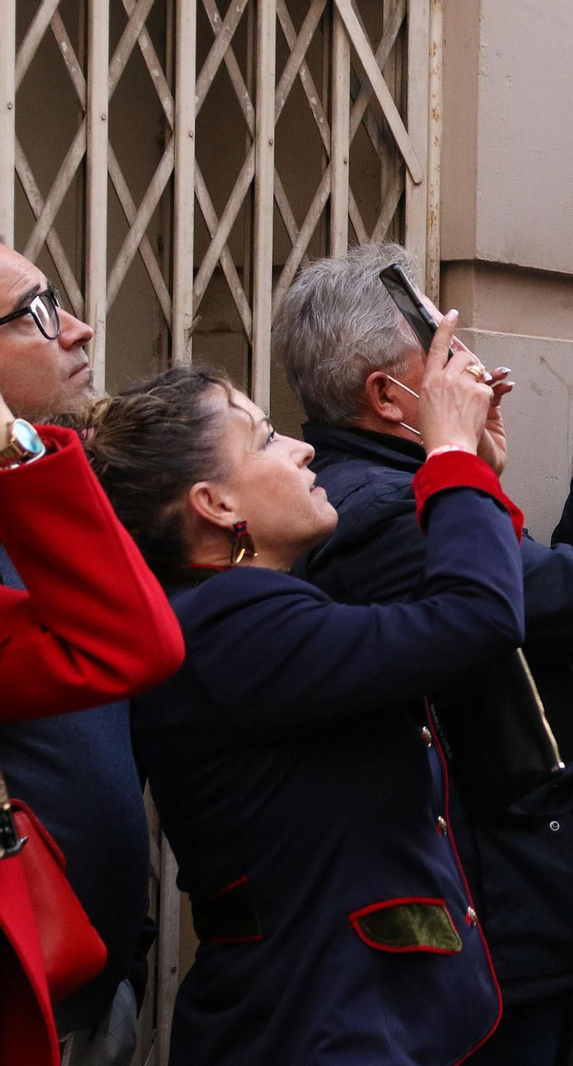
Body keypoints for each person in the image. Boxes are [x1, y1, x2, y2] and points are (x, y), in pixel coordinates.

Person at [85, 313, 527, 1065]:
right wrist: (450, 457)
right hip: (324, 1028)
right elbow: (476, 618)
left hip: (343, 1017)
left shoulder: (236, 610)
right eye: (261, 439)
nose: (302, 446)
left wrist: (470, 471)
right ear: (214, 506)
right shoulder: (228, 622)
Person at [278, 244, 573, 1064]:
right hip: (502, 912)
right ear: (392, 397)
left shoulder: (425, 485)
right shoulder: (384, 510)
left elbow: (552, 617)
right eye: (449, 353)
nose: (476, 367)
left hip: (540, 898)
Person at [0, 242, 177, 1066]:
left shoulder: (33, 501)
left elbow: (137, 651)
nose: (77, 329)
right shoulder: (33, 489)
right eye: (36, 313)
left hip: (88, 988)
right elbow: (124, 645)